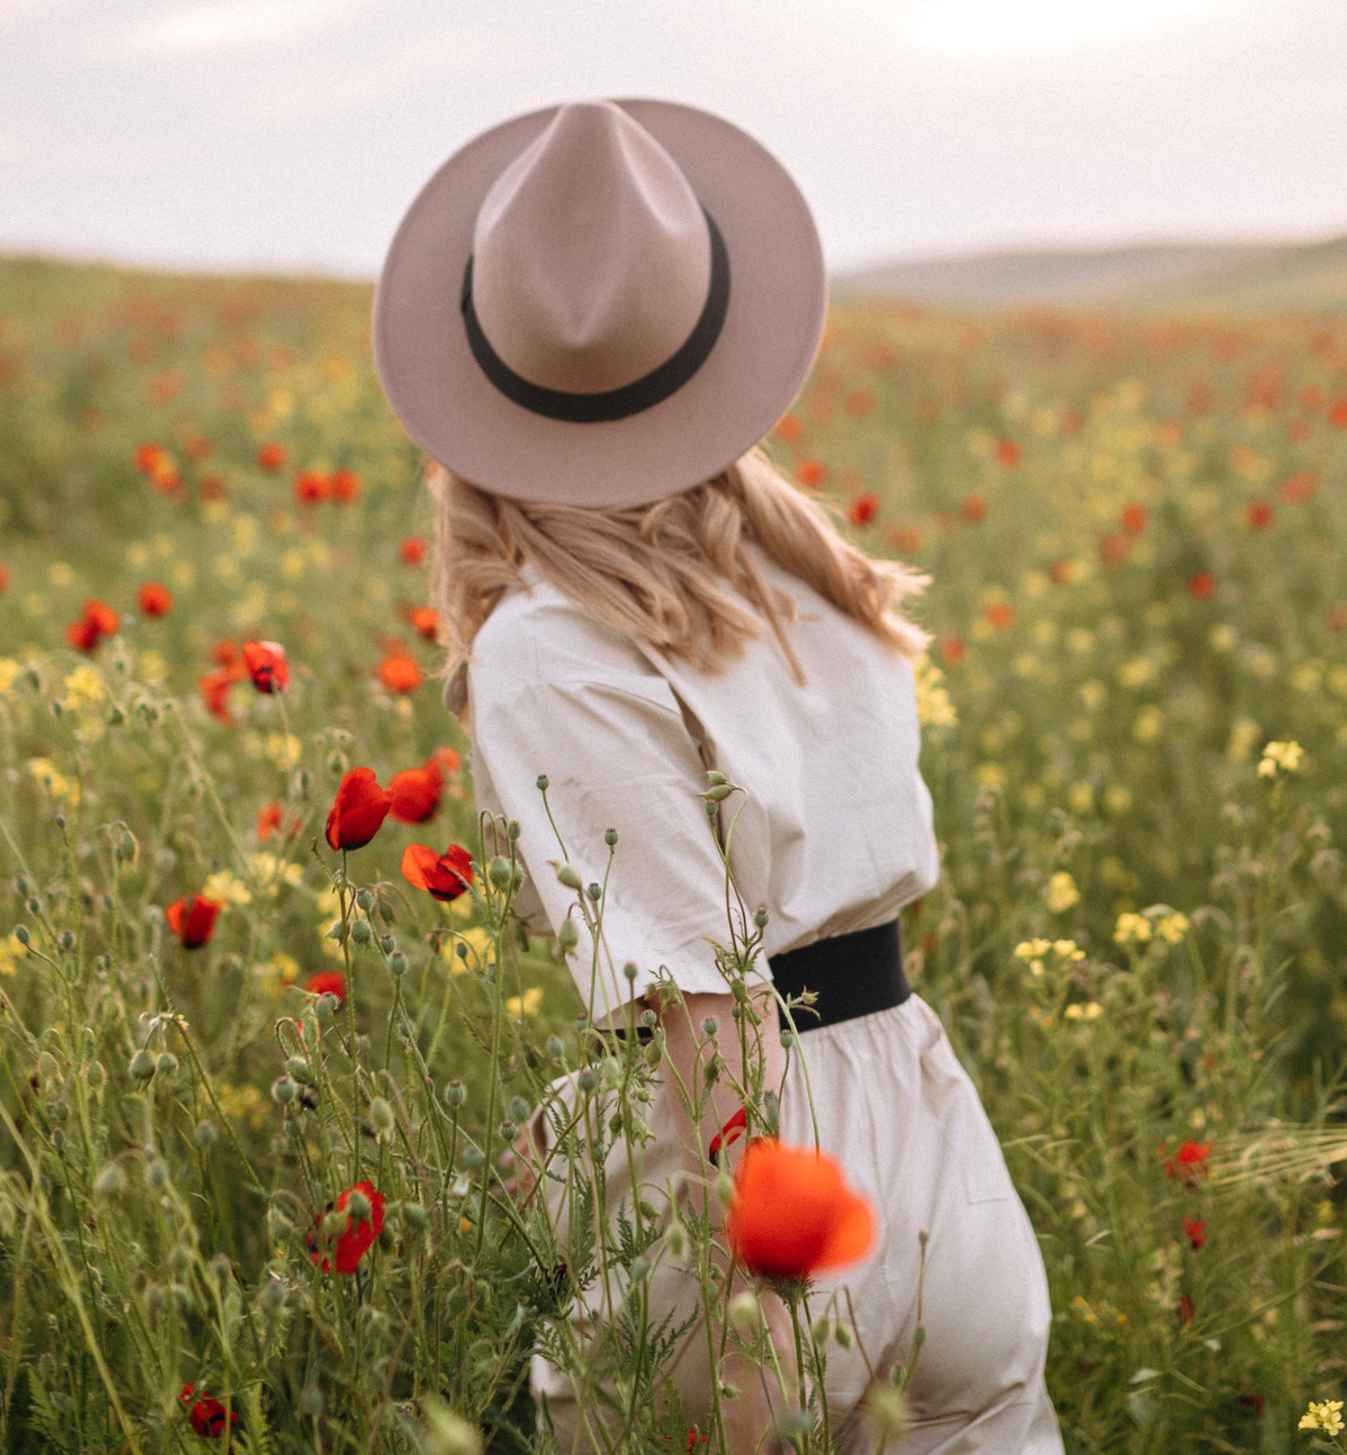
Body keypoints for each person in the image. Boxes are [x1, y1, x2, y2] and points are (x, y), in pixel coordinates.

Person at [372, 99, 1060, 1452]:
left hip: (751, 1216)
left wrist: (763, 1350)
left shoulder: (551, 648)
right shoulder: (813, 578)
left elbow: (715, 1013)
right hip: (933, 1145)